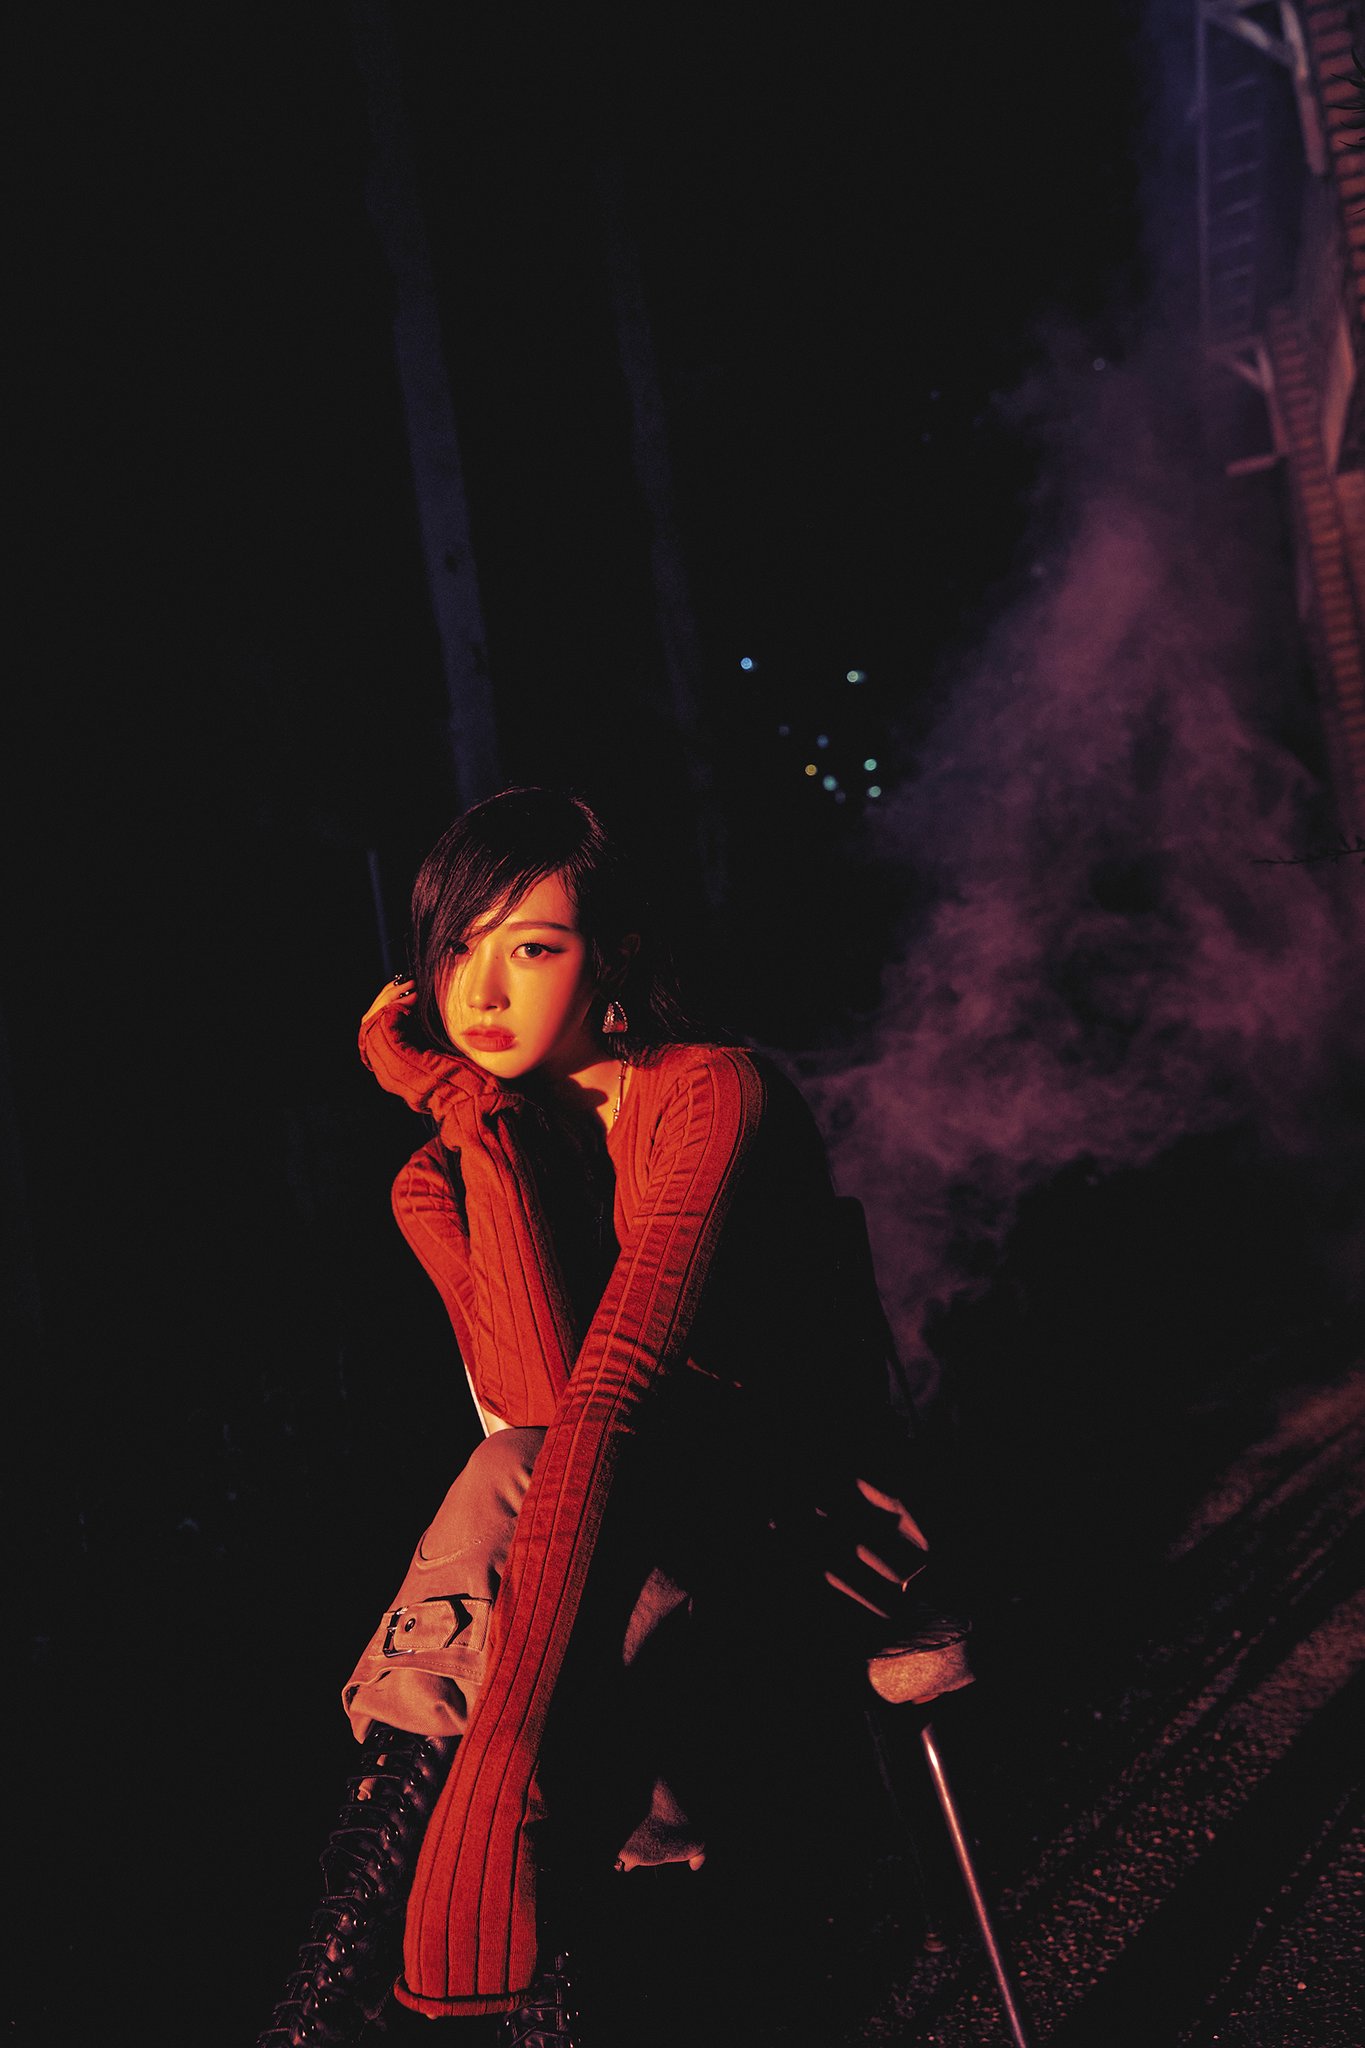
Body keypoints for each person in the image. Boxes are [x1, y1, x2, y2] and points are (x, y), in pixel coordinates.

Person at [258, 787, 972, 2047]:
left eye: (532, 947)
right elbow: (541, 1399)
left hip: (798, 1523)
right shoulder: (443, 1170)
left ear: (614, 957)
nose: (481, 991)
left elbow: (617, 1385)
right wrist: (474, 1121)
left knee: (515, 1491)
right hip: (600, 1529)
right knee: (520, 1473)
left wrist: (504, 1760)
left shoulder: (711, 1092)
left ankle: (344, 1985)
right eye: (455, 949)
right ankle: (487, 1974)